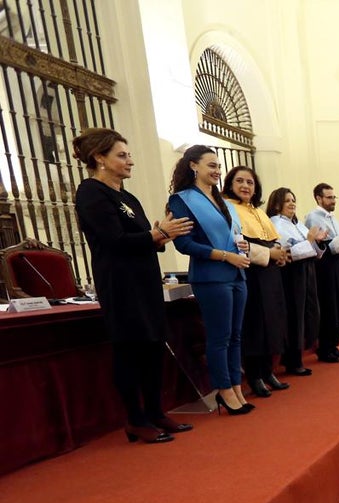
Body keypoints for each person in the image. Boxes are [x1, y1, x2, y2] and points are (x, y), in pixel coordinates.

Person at [72, 128, 194, 443]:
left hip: (145, 280)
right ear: (99, 158)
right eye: (122, 155)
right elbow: (113, 241)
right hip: (120, 283)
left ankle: (155, 411)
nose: (130, 161)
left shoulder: (127, 196)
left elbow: (142, 240)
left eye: (129, 155)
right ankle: (135, 419)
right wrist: (157, 234)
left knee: (154, 346)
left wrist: (160, 235)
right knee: (131, 350)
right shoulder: (91, 192)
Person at [167, 145, 252, 416]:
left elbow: (234, 235)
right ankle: (223, 390)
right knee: (220, 337)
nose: (217, 171)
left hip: (237, 272)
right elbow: (184, 244)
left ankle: (236, 386)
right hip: (211, 276)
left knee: (236, 336)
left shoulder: (222, 201)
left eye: (218, 166)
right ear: (193, 166)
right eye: (211, 165)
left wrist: (242, 248)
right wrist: (225, 256)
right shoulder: (182, 200)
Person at [223, 167, 289, 399]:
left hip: (269, 274)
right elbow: (237, 243)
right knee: (254, 325)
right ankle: (254, 376)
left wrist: (279, 254)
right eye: (239, 181)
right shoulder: (228, 209)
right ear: (230, 184)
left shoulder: (257, 211)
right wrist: (270, 254)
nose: (245, 186)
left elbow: (273, 240)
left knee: (271, 322)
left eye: (250, 182)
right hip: (251, 273)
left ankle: (267, 371)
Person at [267, 187, 325, 377]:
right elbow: (288, 251)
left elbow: (313, 250)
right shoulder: (275, 224)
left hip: (307, 271)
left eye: (293, 200)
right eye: (287, 201)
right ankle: (292, 360)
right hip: (291, 275)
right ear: (277, 205)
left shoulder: (297, 223)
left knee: (308, 313)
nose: (292, 204)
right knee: (295, 315)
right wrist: (309, 241)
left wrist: (317, 242)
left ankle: (298, 354)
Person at [305, 183, 339, 363]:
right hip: (326, 268)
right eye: (329, 197)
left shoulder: (332, 218)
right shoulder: (313, 217)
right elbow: (326, 247)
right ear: (318, 198)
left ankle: (333, 345)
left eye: (334, 197)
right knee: (329, 307)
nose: (333, 200)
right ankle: (324, 348)